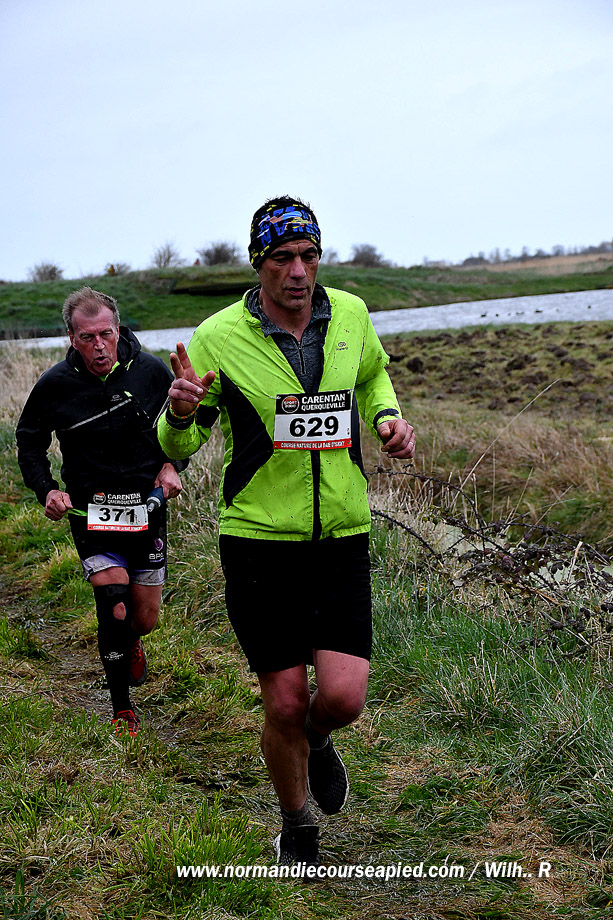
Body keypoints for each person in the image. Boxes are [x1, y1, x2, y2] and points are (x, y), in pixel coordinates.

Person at [157, 197, 415, 867]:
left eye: (308, 256)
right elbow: (178, 443)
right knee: (283, 701)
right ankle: (297, 827)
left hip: (341, 535)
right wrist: (178, 413)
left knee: (342, 697)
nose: (297, 271)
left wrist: (386, 418)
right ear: (258, 264)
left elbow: (372, 375)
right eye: (281, 259)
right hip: (258, 543)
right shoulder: (217, 337)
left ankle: (319, 739)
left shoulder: (351, 314)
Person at [16, 287, 186, 736]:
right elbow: (29, 442)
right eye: (87, 337)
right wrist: (47, 490)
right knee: (113, 603)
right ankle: (121, 708)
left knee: (143, 618)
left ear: (118, 330)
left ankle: (131, 642)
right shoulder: (55, 385)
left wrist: (173, 465)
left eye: (105, 334)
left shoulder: (150, 371)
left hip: (146, 509)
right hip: (91, 514)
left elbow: (181, 428)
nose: (98, 346)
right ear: (71, 338)